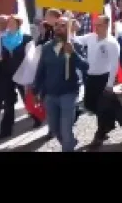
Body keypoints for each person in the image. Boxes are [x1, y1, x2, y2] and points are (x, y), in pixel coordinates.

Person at [33, 17, 89, 151]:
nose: (58, 27)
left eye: (62, 25)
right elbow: (41, 70)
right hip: (50, 94)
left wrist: (73, 53)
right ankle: (70, 142)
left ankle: (68, 146)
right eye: (56, 25)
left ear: (68, 28)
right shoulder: (47, 47)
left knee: (66, 129)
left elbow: (85, 66)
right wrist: (36, 90)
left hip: (68, 93)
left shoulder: (76, 45)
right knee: (55, 129)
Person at [73, 15, 122, 149]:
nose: (96, 27)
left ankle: (100, 134)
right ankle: (108, 121)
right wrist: (70, 27)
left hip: (103, 78)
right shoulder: (91, 37)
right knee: (89, 104)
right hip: (90, 77)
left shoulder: (112, 43)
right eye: (95, 24)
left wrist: (109, 85)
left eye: (99, 25)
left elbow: (114, 65)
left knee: (102, 107)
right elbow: (75, 40)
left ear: (107, 26)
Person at [0, 15, 35, 137]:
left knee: (27, 98)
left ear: (18, 24)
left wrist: (29, 74)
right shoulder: (3, 39)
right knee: (9, 102)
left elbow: (31, 58)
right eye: (9, 22)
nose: (9, 24)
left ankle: (37, 117)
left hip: (22, 72)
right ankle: (6, 130)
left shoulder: (26, 38)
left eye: (12, 22)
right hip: (6, 74)